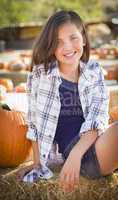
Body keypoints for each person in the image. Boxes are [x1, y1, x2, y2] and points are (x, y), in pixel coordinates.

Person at [17, 10, 118, 193]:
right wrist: (37, 164)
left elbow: (97, 118)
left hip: (90, 147)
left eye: (73, 38)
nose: (68, 47)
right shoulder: (41, 75)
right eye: (58, 42)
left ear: (84, 39)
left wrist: (75, 157)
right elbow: (34, 124)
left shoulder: (94, 72)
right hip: (84, 158)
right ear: (51, 45)